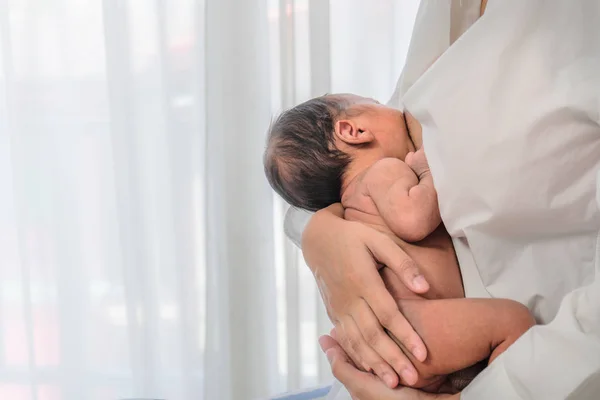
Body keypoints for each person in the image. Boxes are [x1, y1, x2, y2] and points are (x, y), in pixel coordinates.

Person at [285, 0, 600, 399]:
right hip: (410, 340)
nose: (389, 106)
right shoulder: (385, 166)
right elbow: (344, 184)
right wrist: (319, 234)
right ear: (353, 130)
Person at [264, 93, 536, 391]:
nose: (393, 109)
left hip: (400, 334)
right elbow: (414, 220)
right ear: (353, 131)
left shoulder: (352, 208)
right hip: (410, 324)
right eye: (376, 102)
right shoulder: (383, 172)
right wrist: (429, 170)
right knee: (514, 321)